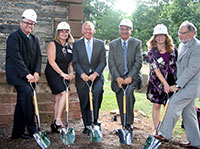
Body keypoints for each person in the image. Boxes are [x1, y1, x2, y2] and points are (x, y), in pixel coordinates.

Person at [155, 21, 200, 148]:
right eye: (179, 32)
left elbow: (191, 69)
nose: (179, 35)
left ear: (191, 34)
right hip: (182, 85)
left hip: (190, 87)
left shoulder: (197, 47)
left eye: (183, 33)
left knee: (173, 103)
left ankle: (165, 134)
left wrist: (178, 85)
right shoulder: (182, 44)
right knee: (188, 114)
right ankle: (196, 142)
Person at [5, 9, 41, 139]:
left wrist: (36, 72)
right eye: (27, 23)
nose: (29, 26)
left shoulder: (34, 39)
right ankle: (32, 128)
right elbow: (16, 58)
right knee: (26, 93)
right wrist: (27, 74)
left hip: (30, 76)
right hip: (17, 75)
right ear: (21, 22)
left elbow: (38, 57)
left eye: (32, 24)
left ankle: (17, 132)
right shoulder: (13, 37)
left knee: (22, 102)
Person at [108, 19, 143, 131]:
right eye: (122, 29)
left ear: (130, 31)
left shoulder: (137, 43)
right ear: (119, 30)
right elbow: (111, 62)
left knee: (128, 94)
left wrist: (130, 76)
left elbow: (138, 62)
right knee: (120, 97)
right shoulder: (113, 44)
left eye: (127, 29)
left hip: (132, 77)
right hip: (118, 77)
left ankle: (129, 124)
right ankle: (124, 124)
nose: (124, 31)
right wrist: (117, 77)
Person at [72, 21, 106, 134]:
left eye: (90, 29)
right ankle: (87, 124)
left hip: (96, 77)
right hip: (82, 78)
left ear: (93, 31)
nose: (88, 31)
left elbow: (102, 62)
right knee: (85, 101)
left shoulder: (100, 44)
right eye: (85, 29)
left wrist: (95, 74)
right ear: (82, 31)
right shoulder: (76, 45)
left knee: (97, 93)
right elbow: (75, 62)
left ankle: (95, 121)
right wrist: (82, 74)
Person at [45, 21, 75, 133]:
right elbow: (51, 62)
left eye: (66, 31)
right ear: (58, 33)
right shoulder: (53, 44)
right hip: (53, 73)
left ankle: (55, 123)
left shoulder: (69, 46)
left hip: (64, 74)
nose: (64, 33)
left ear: (68, 33)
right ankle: (58, 120)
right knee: (66, 92)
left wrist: (72, 73)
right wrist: (62, 74)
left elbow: (70, 63)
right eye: (62, 31)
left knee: (59, 97)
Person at [146, 24, 177, 131]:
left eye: (162, 35)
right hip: (157, 82)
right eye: (157, 35)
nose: (160, 38)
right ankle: (156, 129)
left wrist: (173, 84)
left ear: (166, 36)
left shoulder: (173, 50)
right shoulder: (151, 53)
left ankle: (166, 130)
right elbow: (156, 70)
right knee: (157, 105)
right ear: (154, 37)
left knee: (168, 107)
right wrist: (165, 84)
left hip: (172, 81)